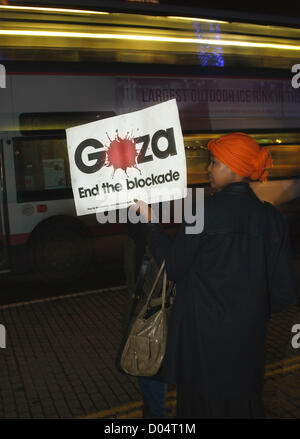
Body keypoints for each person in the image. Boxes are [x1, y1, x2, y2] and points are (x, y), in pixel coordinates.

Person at [133, 132, 299, 419]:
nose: (208, 169)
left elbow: (172, 268)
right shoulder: (271, 218)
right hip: (247, 348)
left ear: (233, 169)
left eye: (214, 162)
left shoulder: (202, 212)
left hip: (200, 349)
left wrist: (150, 224)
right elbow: (286, 292)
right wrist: (249, 311)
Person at [123, 221, 167, 419]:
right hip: (150, 318)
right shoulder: (154, 243)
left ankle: (154, 414)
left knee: (147, 369)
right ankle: (154, 413)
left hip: (139, 317)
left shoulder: (132, 241)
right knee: (151, 369)